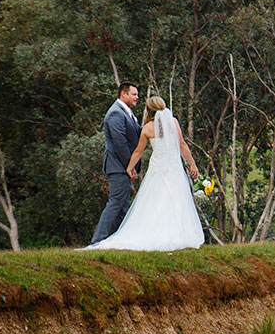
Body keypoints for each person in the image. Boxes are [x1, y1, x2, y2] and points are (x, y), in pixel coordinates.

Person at [86, 96, 204, 251]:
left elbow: (138, 151)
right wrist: (192, 164)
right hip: (174, 167)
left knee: (155, 200)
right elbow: (182, 145)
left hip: (158, 168)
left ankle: (155, 232)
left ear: (149, 110)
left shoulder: (148, 128)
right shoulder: (173, 122)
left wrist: (129, 168)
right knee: (175, 199)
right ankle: (176, 232)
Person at [90, 82, 142, 245]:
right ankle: (97, 241)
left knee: (123, 206)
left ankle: (116, 241)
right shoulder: (116, 114)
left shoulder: (127, 113)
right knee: (116, 203)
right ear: (123, 94)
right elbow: (120, 143)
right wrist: (130, 166)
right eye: (134, 94)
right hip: (118, 166)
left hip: (123, 166)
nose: (137, 97)